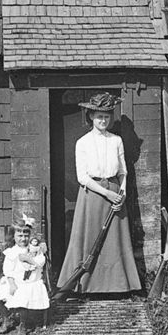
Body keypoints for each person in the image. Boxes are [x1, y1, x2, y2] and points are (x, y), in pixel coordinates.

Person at [56, 92, 141, 296]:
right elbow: (82, 177)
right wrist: (106, 194)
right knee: (90, 238)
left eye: (107, 116)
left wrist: (121, 194)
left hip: (115, 193)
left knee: (115, 241)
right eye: (99, 116)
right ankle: (85, 286)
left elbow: (123, 172)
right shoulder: (82, 143)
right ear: (91, 117)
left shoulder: (116, 141)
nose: (103, 120)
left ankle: (117, 286)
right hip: (93, 195)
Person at [0, 219, 50, 335]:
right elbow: (8, 270)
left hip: (32, 282)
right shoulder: (12, 252)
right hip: (15, 280)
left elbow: (40, 263)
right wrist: (12, 283)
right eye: (19, 236)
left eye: (26, 235)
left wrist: (30, 258)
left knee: (23, 297)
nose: (23, 239)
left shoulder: (35, 250)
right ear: (13, 237)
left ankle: (23, 324)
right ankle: (6, 319)